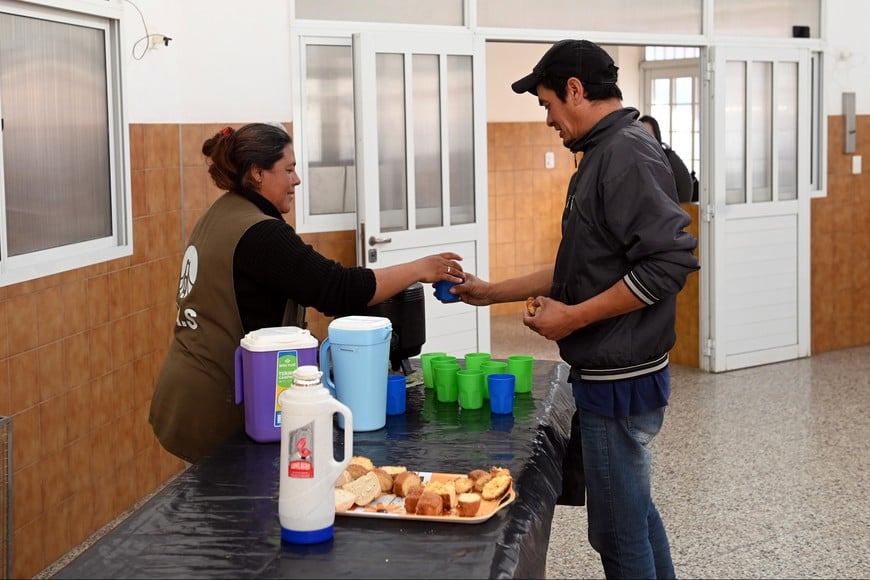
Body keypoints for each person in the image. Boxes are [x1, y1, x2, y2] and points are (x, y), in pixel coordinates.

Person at [453, 40, 699, 579]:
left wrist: (573, 317)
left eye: (546, 105)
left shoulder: (624, 154)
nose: (547, 121)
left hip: (620, 377)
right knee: (634, 514)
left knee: (617, 530)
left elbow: (668, 263)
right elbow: (583, 266)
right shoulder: (602, 154)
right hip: (610, 371)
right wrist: (491, 291)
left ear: (575, 90)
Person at [149, 122, 464, 464]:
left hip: (186, 388)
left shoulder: (222, 213)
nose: (296, 180)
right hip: (215, 400)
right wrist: (419, 269)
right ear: (257, 173)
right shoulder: (261, 233)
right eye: (288, 169)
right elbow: (338, 289)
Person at [639, 114, 695, 203]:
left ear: (656, 137)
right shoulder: (635, 158)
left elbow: (686, 185)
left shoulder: (668, 156)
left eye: (648, 134)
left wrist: (678, 211)